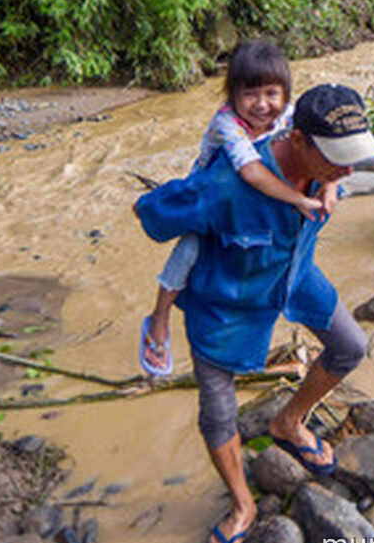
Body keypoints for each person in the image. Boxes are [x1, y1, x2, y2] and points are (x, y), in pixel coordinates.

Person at [134, 83, 374, 543]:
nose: (348, 170)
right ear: (299, 140)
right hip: (225, 304)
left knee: (350, 345)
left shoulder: (325, 172)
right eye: (337, 160)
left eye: (352, 158)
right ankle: (243, 503)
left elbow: (337, 176)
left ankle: (287, 422)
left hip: (293, 275)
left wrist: (330, 182)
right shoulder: (226, 185)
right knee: (218, 411)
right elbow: (151, 214)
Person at [140, 41, 338, 377]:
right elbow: (250, 171)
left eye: (272, 94)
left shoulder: (290, 115)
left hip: (259, 191)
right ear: (232, 95)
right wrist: (299, 199)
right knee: (190, 250)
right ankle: (158, 319)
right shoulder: (226, 122)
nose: (262, 105)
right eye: (250, 95)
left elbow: (323, 147)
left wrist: (330, 183)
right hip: (214, 191)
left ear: (286, 94)